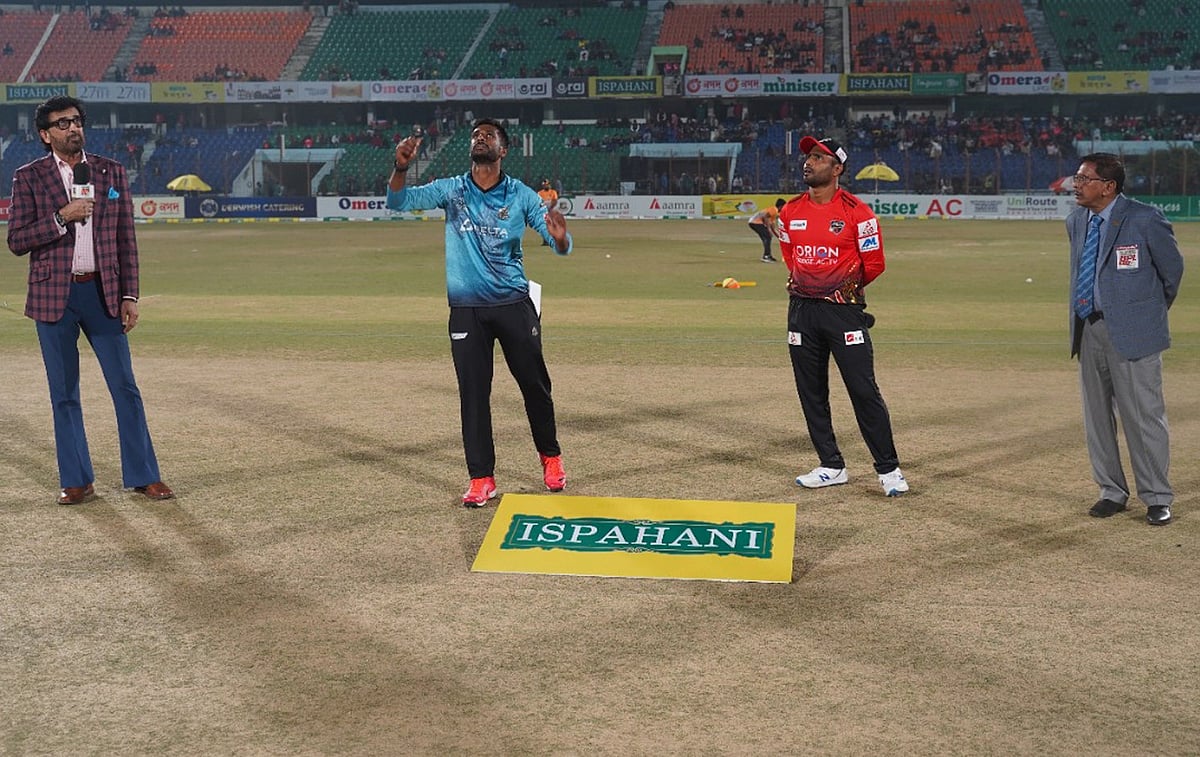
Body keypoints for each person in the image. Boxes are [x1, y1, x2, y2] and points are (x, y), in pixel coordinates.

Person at [386, 118, 573, 507]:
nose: (480, 138)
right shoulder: (452, 190)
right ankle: (481, 477)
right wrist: (401, 168)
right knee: (474, 395)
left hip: (513, 305)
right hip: (467, 310)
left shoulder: (521, 195)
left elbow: (556, 240)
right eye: (475, 135)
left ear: (503, 150)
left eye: (488, 135)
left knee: (535, 388)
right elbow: (399, 202)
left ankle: (550, 458)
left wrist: (560, 239)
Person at [6, 95, 173, 506]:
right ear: (45, 135)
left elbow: (125, 241)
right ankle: (76, 479)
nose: (72, 128)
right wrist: (62, 217)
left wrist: (130, 295)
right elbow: (16, 240)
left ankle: (144, 475)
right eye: (62, 124)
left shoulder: (110, 171)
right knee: (64, 393)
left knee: (125, 387)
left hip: (104, 295)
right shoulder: (27, 177)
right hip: (53, 298)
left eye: (76, 121)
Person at [778, 136, 908, 497]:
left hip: (844, 312)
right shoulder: (790, 211)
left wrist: (840, 291)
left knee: (863, 390)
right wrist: (813, 285)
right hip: (802, 311)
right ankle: (830, 465)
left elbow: (875, 264)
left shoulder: (859, 213)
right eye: (807, 157)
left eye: (818, 158)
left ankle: (889, 470)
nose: (808, 162)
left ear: (837, 169)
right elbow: (790, 257)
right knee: (811, 392)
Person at [1068, 153, 1183, 526]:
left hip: (1134, 333)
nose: (1077, 184)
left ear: (1108, 186)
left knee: (1144, 417)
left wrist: (1142, 315)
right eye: (1077, 177)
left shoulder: (1145, 218)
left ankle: (1156, 497)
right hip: (1089, 329)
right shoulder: (1076, 221)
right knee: (1096, 418)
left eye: (1085, 179)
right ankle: (1111, 491)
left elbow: (1172, 274)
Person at [748, 198, 785, 262]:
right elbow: (766, 217)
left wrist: (780, 238)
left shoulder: (774, 213)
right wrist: (768, 230)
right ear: (781, 206)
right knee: (767, 237)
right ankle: (766, 256)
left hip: (753, 222)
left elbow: (773, 227)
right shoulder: (774, 210)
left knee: (767, 238)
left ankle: (767, 255)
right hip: (755, 222)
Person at [537, 178, 559, 246]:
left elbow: (555, 201)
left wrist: (550, 208)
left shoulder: (553, 192)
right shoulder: (540, 193)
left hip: (551, 210)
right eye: (545, 185)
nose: (546, 186)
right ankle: (545, 240)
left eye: (547, 185)